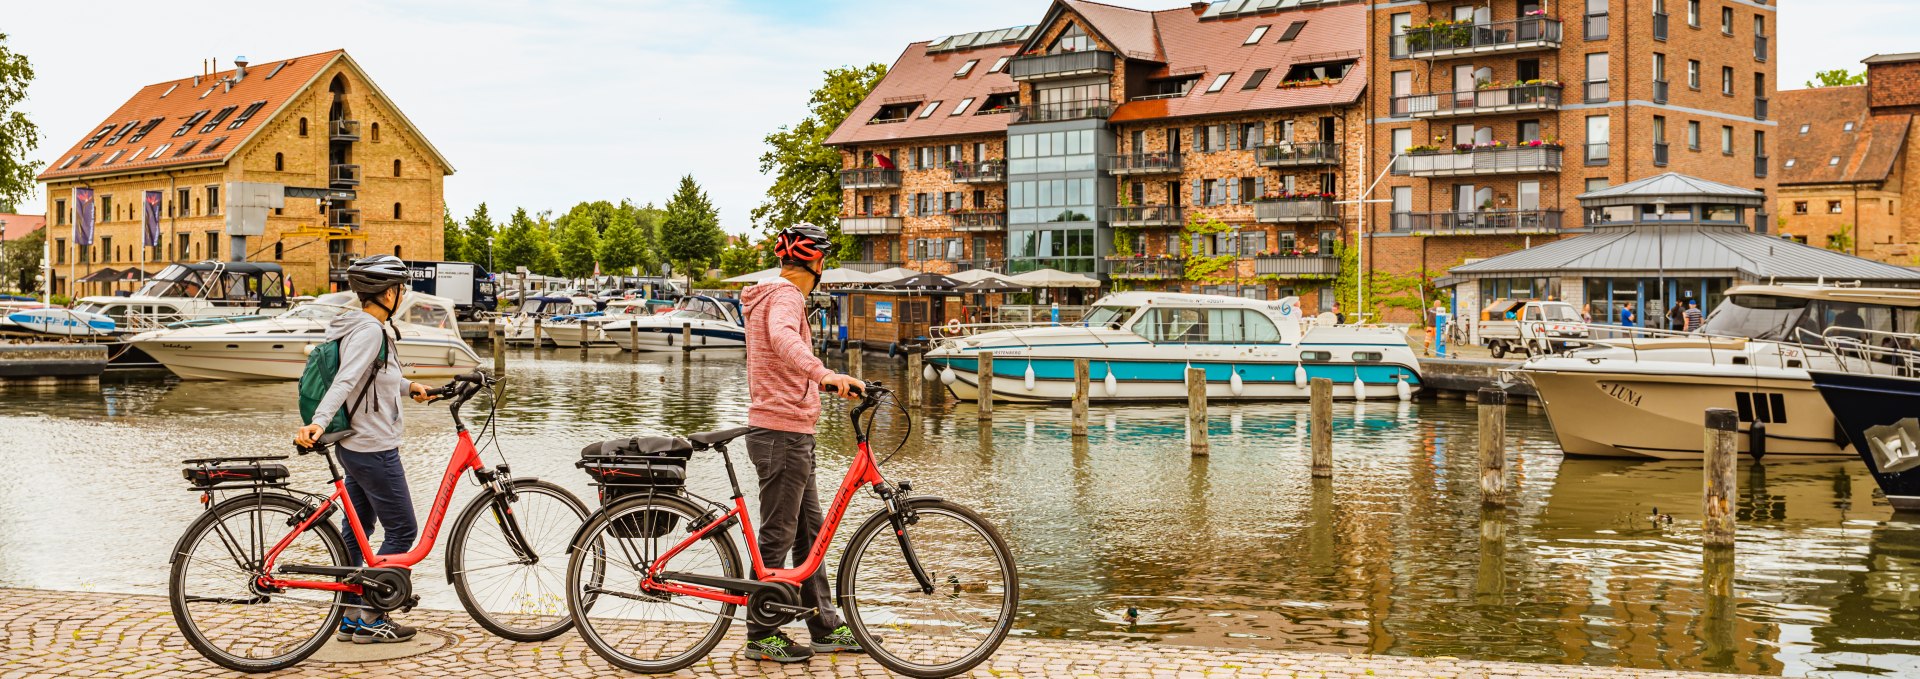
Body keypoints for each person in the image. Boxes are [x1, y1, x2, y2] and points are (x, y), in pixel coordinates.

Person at [737, 225, 867, 664]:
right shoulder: (787, 297)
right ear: (817, 263)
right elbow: (784, 339)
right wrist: (824, 374)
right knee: (779, 534)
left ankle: (823, 626)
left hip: (792, 429)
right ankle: (762, 632)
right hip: (781, 432)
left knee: (810, 533)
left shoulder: (768, 293)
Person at [294, 255, 437, 644]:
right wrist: (319, 422)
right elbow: (346, 380)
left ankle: (350, 617)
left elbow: (376, 379)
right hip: (373, 448)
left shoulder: (358, 325)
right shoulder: (370, 331)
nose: (402, 293)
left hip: (355, 445)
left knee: (358, 530)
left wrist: (410, 388)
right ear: (388, 292)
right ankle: (374, 617)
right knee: (403, 529)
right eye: (400, 288)